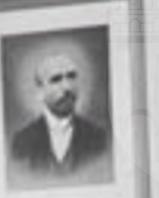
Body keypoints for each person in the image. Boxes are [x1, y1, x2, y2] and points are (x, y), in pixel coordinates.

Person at [6, 47, 112, 186]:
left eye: (71, 77)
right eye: (56, 80)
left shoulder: (99, 137)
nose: (67, 87)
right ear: (40, 92)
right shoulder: (22, 141)